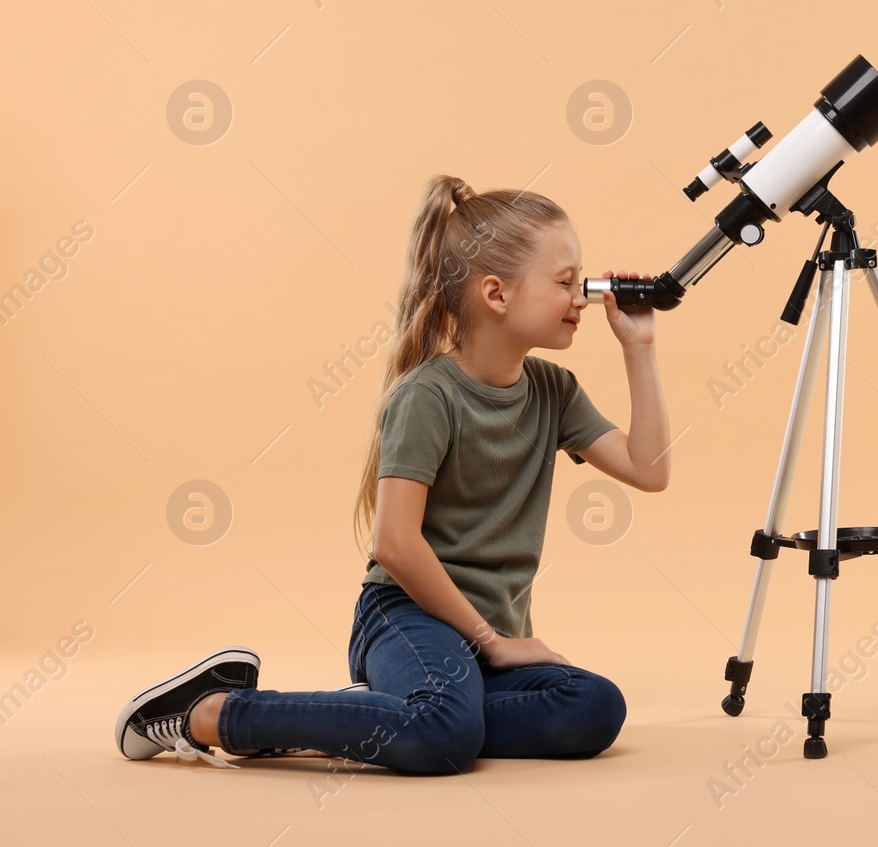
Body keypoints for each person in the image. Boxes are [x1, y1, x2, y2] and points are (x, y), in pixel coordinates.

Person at [113, 175, 671, 774]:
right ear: (497, 295)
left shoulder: (552, 391)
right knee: (443, 736)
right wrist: (496, 643)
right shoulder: (429, 396)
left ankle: (377, 718)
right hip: (405, 617)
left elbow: (649, 469)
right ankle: (209, 712)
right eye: (564, 283)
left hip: (483, 645)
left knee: (594, 706)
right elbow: (394, 544)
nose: (581, 297)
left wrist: (638, 347)